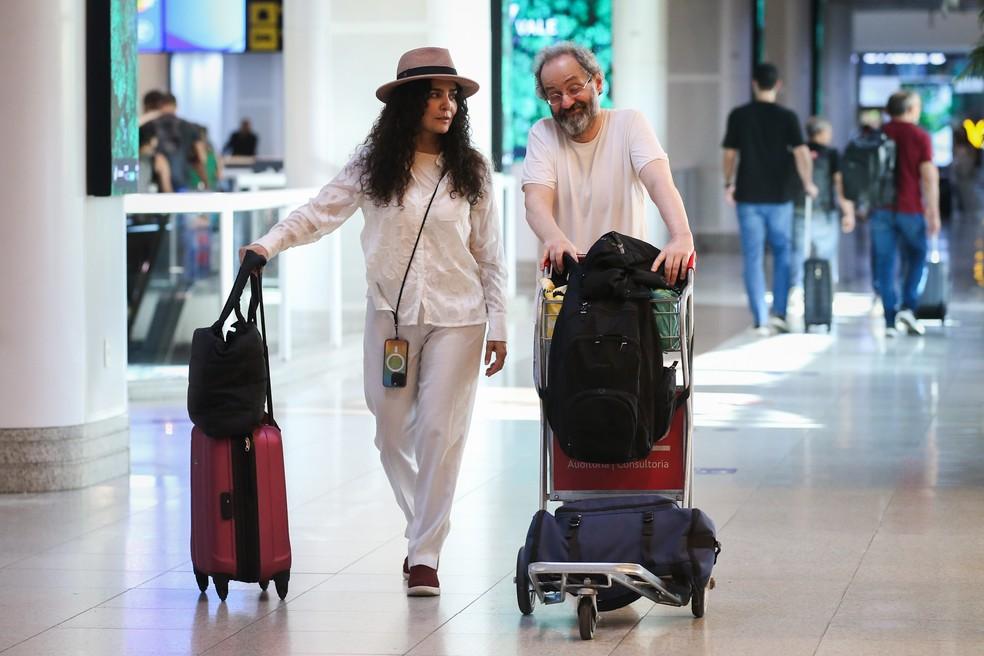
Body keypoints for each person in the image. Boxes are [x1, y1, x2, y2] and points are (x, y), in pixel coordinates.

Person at [240, 47, 508, 597]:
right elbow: (320, 212)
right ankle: (420, 525)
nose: (448, 105)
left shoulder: (472, 170)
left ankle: (425, 553)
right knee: (389, 433)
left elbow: (490, 255)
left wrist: (499, 323)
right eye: (435, 95)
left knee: (439, 432)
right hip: (391, 318)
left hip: (459, 316)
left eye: (452, 96)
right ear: (409, 102)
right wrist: (269, 244)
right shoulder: (373, 165)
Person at [522, 41, 694, 286]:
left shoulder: (630, 124)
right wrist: (554, 238)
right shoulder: (543, 134)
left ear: (598, 82)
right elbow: (535, 202)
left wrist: (681, 235)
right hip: (565, 285)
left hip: (625, 284)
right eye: (555, 95)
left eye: (574, 88)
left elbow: (659, 183)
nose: (567, 102)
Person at [722, 62, 817, 335]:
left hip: (748, 195)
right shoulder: (787, 117)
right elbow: (801, 153)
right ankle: (780, 313)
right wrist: (808, 183)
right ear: (778, 85)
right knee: (782, 254)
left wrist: (728, 183)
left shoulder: (739, 115)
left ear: (754, 84)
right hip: (780, 197)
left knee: (752, 257)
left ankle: (760, 318)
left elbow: (729, 154)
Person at [871, 90, 940, 337]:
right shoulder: (920, 136)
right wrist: (933, 211)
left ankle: (889, 319)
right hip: (910, 208)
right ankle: (908, 307)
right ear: (910, 109)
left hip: (880, 208)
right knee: (917, 255)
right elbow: (928, 176)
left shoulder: (876, 135)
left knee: (885, 262)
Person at [789, 116, 855, 296]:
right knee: (827, 255)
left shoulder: (798, 152)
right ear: (822, 133)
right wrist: (848, 212)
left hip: (799, 209)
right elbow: (839, 184)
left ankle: (796, 289)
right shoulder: (831, 154)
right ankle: (827, 289)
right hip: (824, 212)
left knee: (798, 253)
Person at [146, 92, 208, 191]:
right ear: (175, 106)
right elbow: (202, 157)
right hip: (182, 183)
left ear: (160, 106)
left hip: (155, 185)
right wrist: (205, 181)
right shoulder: (189, 127)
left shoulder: (149, 126)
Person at [137, 123, 173, 193]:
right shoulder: (159, 159)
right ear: (153, 140)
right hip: (145, 198)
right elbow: (167, 190)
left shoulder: (127, 158)